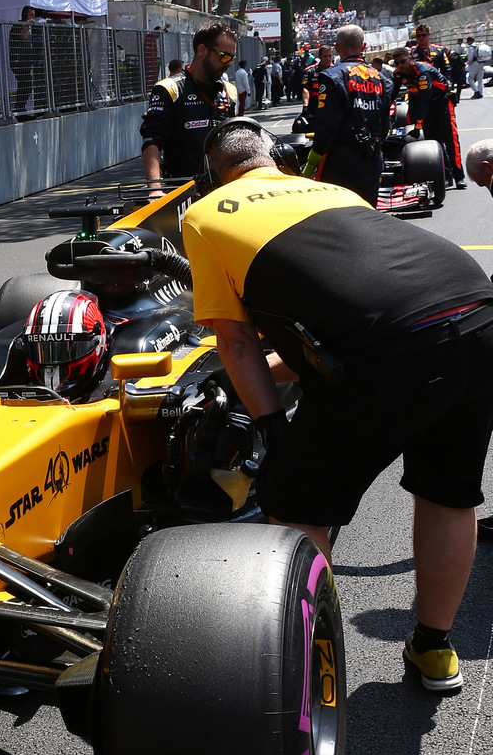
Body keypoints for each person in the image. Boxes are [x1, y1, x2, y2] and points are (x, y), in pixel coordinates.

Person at [184, 119, 493, 693]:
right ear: (274, 160)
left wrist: (273, 427)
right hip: (474, 308)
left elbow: (235, 341)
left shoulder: (203, 216)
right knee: (450, 492)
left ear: (213, 174)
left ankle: (313, 669)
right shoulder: (333, 190)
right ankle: (433, 650)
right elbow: (349, 303)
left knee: (296, 500)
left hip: (396, 343)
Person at [141, 20, 239, 189]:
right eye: (224, 56)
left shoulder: (229, 92)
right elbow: (151, 141)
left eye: (232, 58)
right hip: (183, 192)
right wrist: (155, 189)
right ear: (202, 50)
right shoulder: (170, 89)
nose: (229, 63)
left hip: (223, 190)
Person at [302, 24, 389, 205]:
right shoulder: (382, 80)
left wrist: (314, 159)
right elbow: (385, 123)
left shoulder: (332, 76)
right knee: (368, 212)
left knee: (341, 215)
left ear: (336, 48)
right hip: (372, 157)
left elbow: (327, 124)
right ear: (363, 47)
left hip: (341, 160)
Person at [393, 46, 465, 187]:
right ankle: (446, 176)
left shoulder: (423, 72)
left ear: (410, 59)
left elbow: (424, 100)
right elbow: (392, 93)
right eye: (397, 63)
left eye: (402, 62)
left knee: (450, 139)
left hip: (442, 102)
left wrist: (418, 124)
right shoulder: (398, 73)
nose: (400, 66)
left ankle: (459, 176)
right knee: (434, 142)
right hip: (425, 104)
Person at [8, 6, 37, 116]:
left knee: (27, 85)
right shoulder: (18, 26)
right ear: (25, 15)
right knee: (25, 84)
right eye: (31, 15)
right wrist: (27, 24)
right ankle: (19, 109)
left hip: (26, 61)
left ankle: (21, 109)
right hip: (18, 61)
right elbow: (23, 37)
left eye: (34, 15)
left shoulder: (28, 27)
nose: (33, 17)